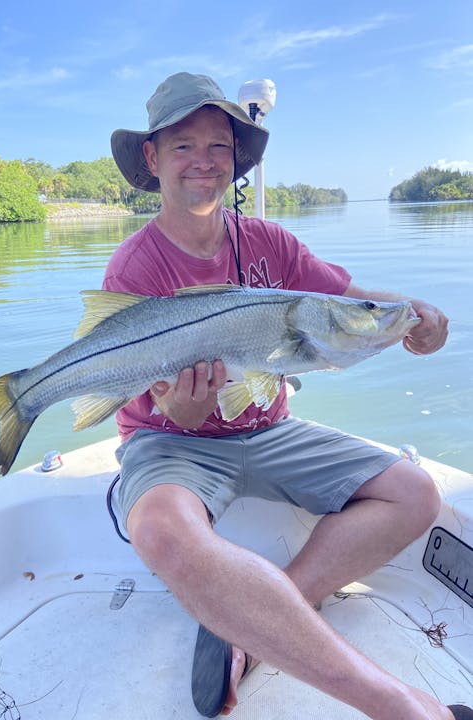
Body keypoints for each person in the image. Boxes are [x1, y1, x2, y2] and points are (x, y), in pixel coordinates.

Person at [104, 72, 469, 719]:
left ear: (235, 161)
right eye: (184, 146)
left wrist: (412, 310)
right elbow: (157, 397)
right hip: (171, 439)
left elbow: (345, 298)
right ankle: (401, 706)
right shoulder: (135, 266)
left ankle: (254, 619)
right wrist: (180, 409)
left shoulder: (271, 242)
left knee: (415, 493)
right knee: (161, 530)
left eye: (219, 146)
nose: (204, 162)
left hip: (268, 430)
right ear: (153, 159)